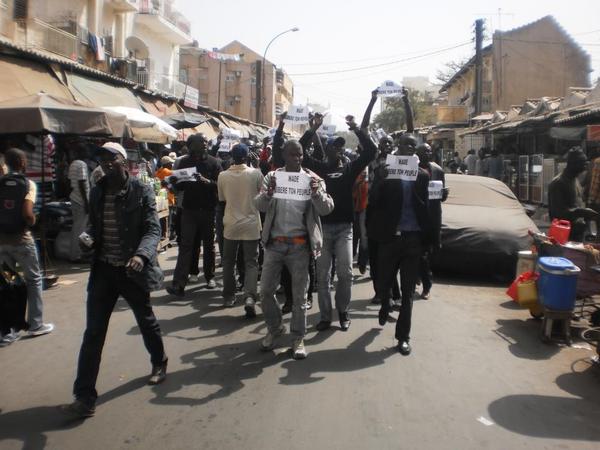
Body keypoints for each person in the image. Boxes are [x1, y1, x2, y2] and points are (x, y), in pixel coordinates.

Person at [60, 142, 167, 419]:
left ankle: (159, 361)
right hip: (104, 270)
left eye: (111, 159)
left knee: (146, 320)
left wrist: (142, 256)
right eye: (102, 160)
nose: (106, 164)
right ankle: (84, 396)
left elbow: (153, 229)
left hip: (131, 271)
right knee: (93, 333)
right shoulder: (97, 192)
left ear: (123, 161)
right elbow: (95, 224)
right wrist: (89, 238)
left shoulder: (141, 190)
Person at [300, 97, 377, 332]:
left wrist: (357, 129)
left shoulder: (350, 168)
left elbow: (371, 151)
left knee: (345, 274)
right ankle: (325, 316)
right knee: (322, 277)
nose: (340, 149)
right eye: (336, 146)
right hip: (323, 229)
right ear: (329, 150)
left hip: (345, 228)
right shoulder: (319, 168)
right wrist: (312, 130)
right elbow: (299, 152)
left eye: (342, 146)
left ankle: (343, 311)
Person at [254, 139, 333, 359]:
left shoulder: (312, 179)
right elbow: (258, 205)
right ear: (283, 155)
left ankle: (298, 338)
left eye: (299, 155)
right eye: (292, 155)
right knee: (265, 291)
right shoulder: (272, 178)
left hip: (299, 247)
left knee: (300, 297)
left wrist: (316, 193)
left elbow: (327, 209)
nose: (296, 158)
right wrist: (268, 194)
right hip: (274, 245)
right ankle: (275, 327)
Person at [368, 127, 432, 356]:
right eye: (406, 144)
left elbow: (428, 210)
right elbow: (373, 202)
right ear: (398, 148)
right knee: (384, 283)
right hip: (389, 239)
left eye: (413, 146)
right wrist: (378, 180)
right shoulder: (387, 173)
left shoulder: (422, 175)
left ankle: (403, 336)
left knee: (407, 293)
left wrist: (430, 241)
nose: (410, 148)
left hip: (412, 240)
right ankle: (385, 303)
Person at [0, 148, 54, 346]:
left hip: (2, 243)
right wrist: (32, 222)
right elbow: (28, 213)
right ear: (22, 163)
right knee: (33, 280)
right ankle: (35, 324)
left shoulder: (0, 183)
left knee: (9, 283)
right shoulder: (28, 184)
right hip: (22, 241)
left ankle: (8, 331)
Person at [167, 134, 221, 296]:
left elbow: (222, 186)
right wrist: (173, 183)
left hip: (208, 210)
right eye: (201, 141)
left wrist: (208, 182)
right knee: (186, 246)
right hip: (189, 211)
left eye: (206, 141)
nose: (205, 144)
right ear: (192, 145)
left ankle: (210, 277)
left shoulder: (214, 162)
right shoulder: (184, 163)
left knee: (209, 245)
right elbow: (179, 188)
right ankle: (179, 284)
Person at [217, 144, 264, 316]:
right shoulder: (256, 173)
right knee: (251, 262)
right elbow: (263, 195)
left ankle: (229, 296)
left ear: (231, 156)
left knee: (228, 261)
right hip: (251, 223)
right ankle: (250, 296)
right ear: (247, 157)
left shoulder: (222, 176)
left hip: (230, 223)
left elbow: (222, 201)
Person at [416, 143, 448, 299]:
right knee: (419, 254)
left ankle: (425, 282)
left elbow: (440, 196)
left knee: (427, 254)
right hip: (416, 218)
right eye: (423, 152)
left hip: (433, 218)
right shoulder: (412, 170)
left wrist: (444, 194)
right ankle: (423, 282)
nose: (427, 154)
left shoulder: (438, 170)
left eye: (429, 151)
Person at [548, 147, 598, 242]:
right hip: (564, 235)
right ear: (573, 164)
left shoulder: (574, 179)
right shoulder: (558, 183)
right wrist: (581, 212)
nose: (585, 166)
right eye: (582, 163)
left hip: (578, 234)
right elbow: (558, 214)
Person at [68, 143, 91, 262]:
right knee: (80, 229)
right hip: (80, 200)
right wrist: (86, 202)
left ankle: (74, 254)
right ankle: (78, 255)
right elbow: (82, 183)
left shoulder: (72, 164)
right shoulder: (81, 164)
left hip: (74, 198)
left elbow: (70, 183)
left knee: (76, 227)